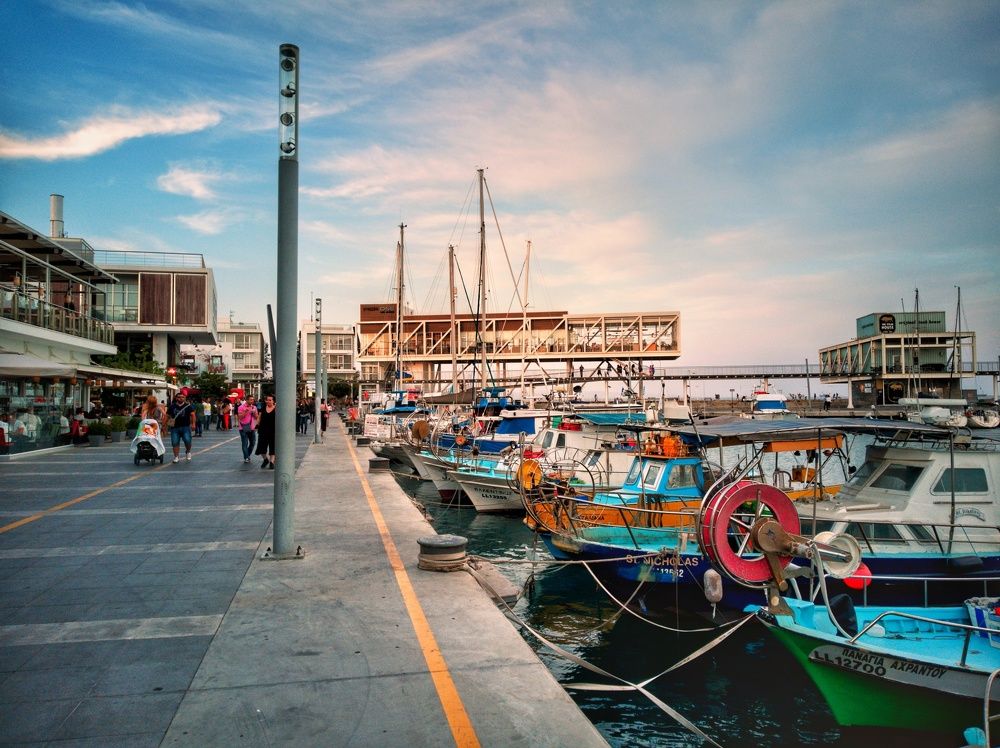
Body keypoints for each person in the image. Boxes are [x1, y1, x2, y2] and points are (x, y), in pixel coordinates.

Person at [166, 391, 197, 463]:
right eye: (179, 397)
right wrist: (164, 425)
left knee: (187, 440)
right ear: (176, 398)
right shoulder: (172, 406)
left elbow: (193, 415)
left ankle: (188, 451)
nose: (181, 398)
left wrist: (193, 424)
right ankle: (176, 457)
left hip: (185, 427)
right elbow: (167, 416)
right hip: (175, 428)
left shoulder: (188, 406)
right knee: (175, 442)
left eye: (182, 397)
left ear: (185, 398)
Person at [255, 394, 276, 469]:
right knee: (261, 447)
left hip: (273, 431)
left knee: (272, 447)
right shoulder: (263, 408)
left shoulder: (276, 408)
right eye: (267, 400)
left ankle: (272, 462)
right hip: (263, 430)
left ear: (273, 401)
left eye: (270, 400)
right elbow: (259, 417)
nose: (268, 401)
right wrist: (256, 425)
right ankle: (265, 459)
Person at [237, 395, 259, 463]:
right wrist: (246, 412)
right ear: (246, 400)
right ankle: (246, 457)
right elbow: (240, 417)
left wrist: (254, 412)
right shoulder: (241, 407)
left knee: (253, 443)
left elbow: (256, 417)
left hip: (252, 428)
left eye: (253, 399)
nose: (252, 401)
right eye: (250, 399)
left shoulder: (254, 407)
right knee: (245, 443)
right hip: (243, 428)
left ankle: (247, 455)